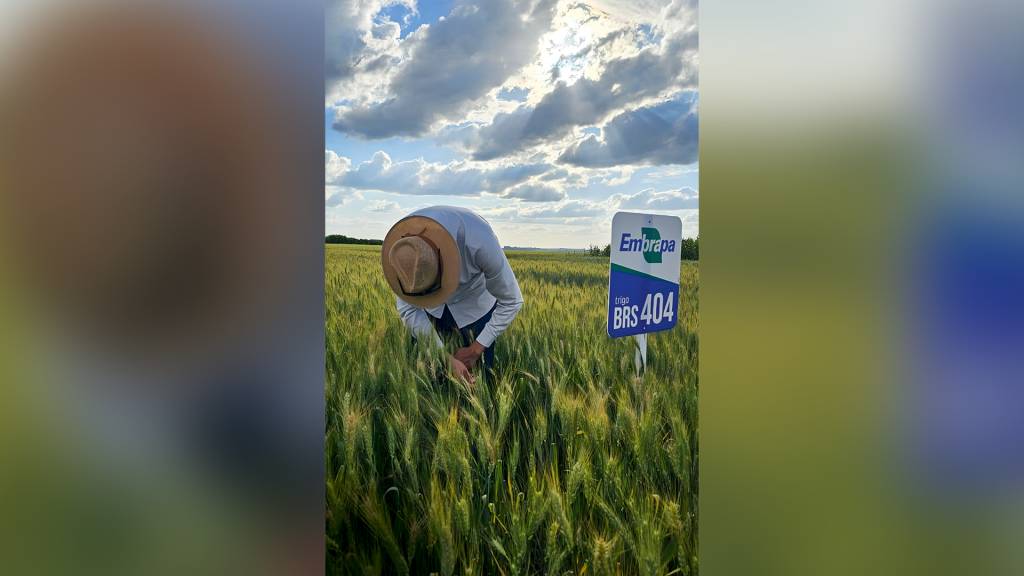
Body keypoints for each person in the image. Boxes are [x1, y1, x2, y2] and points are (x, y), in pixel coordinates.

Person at [381, 206, 524, 384]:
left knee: (479, 381)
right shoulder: (404, 252)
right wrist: (444, 356)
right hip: (431, 313)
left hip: (476, 309)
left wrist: (475, 349)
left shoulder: (479, 239)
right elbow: (409, 310)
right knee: (432, 376)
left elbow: (512, 300)